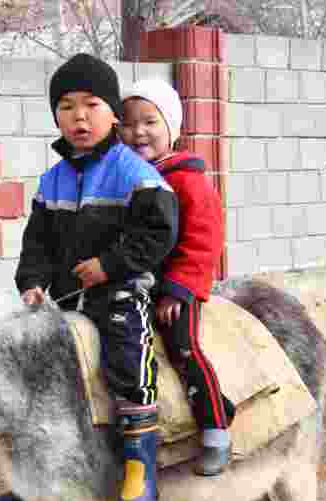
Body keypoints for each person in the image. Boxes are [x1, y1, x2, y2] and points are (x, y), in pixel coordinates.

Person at [0, 53, 178, 501]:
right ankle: (34, 471)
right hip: (66, 300)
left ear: (113, 114)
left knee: (127, 359)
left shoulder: (135, 173)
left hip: (119, 293)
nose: (79, 117)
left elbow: (158, 233)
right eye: (66, 107)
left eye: (92, 104)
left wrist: (109, 266)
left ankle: (139, 469)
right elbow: (38, 243)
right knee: (28, 368)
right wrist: (31, 284)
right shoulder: (52, 181)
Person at [120, 78, 235, 476]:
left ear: (173, 127)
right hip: (134, 287)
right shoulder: (126, 178)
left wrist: (177, 291)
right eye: (129, 123)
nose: (138, 132)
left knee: (183, 348)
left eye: (149, 122)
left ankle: (215, 430)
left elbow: (204, 239)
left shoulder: (186, 180)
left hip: (173, 289)